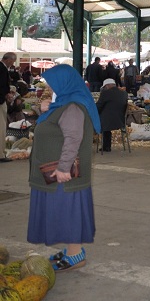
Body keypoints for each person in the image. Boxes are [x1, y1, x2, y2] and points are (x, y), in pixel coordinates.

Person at [28, 64, 102, 272]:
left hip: (61, 173)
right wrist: (48, 107)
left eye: (53, 85)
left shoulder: (72, 107)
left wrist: (63, 168)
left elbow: (73, 138)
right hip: (53, 171)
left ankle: (75, 255)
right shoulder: (65, 103)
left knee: (67, 213)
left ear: (65, 83)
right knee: (63, 212)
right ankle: (71, 251)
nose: (51, 90)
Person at [95, 78, 128, 152]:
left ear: (107, 86)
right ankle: (107, 146)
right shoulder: (124, 93)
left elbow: (99, 106)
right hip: (120, 120)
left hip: (107, 121)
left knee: (101, 118)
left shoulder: (105, 93)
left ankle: (106, 146)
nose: (105, 89)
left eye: (105, 87)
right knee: (106, 116)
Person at [1, 52, 16, 162]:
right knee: (1, 128)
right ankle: (0, 154)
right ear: (9, 60)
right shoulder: (2, 68)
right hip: (0, 101)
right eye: (13, 61)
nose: (13, 63)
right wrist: (7, 94)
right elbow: (1, 85)